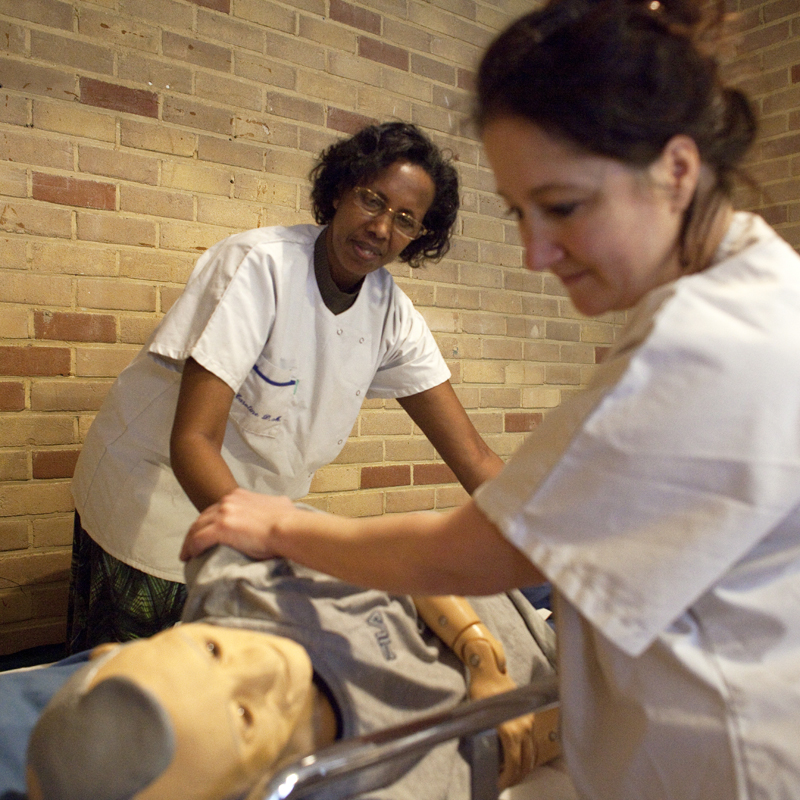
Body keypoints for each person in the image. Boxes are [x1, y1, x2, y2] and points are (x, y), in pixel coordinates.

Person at [180, 0, 800, 797]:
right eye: (519, 212)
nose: (536, 252)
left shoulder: (707, 342)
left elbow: (478, 544)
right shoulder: (761, 286)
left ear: (677, 170)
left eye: (564, 207)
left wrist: (288, 526)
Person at [67, 121, 503, 653]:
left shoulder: (393, 315)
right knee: (125, 689)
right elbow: (194, 441)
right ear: (341, 190)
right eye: (373, 200)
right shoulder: (259, 266)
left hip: (253, 520)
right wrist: (273, 542)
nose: (381, 228)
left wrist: (558, 545)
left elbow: (475, 456)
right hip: (153, 500)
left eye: (406, 220)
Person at [23, 545, 560, 800]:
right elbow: (534, 739)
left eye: (212, 651)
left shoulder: (243, 593)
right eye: (243, 715)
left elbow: (409, 562)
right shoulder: (387, 781)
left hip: (497, 575)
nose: (263, 664)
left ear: (110, 650)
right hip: (558, 647)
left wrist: (482, 659)